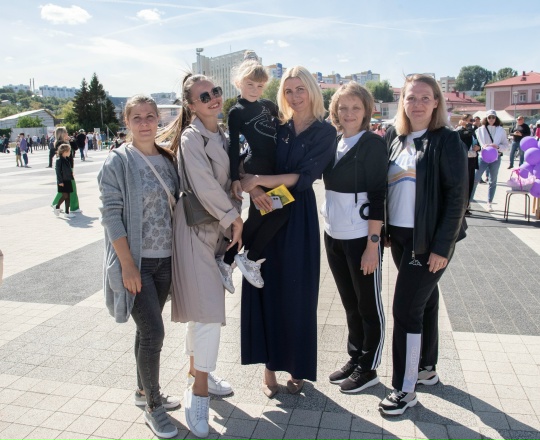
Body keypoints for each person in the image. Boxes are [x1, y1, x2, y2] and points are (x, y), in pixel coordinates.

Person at [239, 66, 337, 398]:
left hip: (297, 217)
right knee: (265, 288)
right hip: (266, 209)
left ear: (312, 91)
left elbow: (304, 177)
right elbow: (246, 160)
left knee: (297, 294)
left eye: (300, 89)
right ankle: (268, 368)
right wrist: (254, 189)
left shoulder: (324, 132)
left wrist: (259, 182)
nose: (294, 96)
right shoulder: (275, 126)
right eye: (288, 90)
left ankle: (297, 367)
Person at [379, 74, 467, 416]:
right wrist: (386, 227)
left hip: (428, 240)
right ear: (402, 101)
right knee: (425, 300)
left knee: (405, 310)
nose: (416, 104)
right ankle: (427, 368)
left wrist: (442, 247)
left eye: (424, 98)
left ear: (436, 103)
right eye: (410, 97)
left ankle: (405, 389)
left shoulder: (447, 139)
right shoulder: (395, 137)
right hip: (401, 237)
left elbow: (457, 198)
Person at [161, 74, 243, 438]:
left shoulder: (223, 134)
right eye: (204, 95)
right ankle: (198, 394)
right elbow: (204, 185)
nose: (213, 98)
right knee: (208, 312)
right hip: (195, 230)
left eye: (216, 92)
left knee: (201, 312)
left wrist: (243, 189)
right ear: (191, 105)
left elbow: (229, 181)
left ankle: (198, 374)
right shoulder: (191, 138)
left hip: (216, 231)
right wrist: (233, 218)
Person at [98, 94, 181, 439]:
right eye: (137, 118)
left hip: (165, 260)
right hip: (138, 263)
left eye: (150, 116)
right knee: (154, 333)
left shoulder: (168, 158)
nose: (145, 123)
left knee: (146, 330)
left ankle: (141, 390)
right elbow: (110, 215)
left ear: (159, 119)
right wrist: (128, 266)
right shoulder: (118, 161)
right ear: (127, 122)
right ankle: (154, 406)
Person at [322, 82, 387, 393]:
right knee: (350, 302)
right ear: (335, 110)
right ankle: (356, 356)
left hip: (361, 237)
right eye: (343, 107)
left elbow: (378, 195)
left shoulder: (372, 144)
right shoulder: (333, 141)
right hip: (333, 234)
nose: (348, 113)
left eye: (355, 108)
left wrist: (373, 245)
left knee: (368, 305)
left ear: (366, 111)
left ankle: (369, 367)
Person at [218, 57, 286, 292]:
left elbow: (284, 127)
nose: (255, 90)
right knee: (277, 213)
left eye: (259, 86)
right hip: (257, 167)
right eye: (250, 85)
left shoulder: (268, 105)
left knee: (263, 216)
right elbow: (233, 147)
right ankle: (246, 257)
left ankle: (228, 260)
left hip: (272, 169)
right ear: (238, 83)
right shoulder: (236, 111)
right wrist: (235, 178)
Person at [470, 110, 508, 212]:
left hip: (496, 157)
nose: (491, 119)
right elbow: (476, 143)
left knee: (493, 181)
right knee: (475, 179)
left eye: (493, 117)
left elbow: (506, 145)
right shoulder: (480, 130)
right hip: (483, 157)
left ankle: (489, 203)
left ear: (496, 118)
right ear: (486, 119)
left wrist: (498, 147)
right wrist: (482, 146)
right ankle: (469, 201)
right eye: (489, 117)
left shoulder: (501, 130)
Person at [51, 128, 82, 214]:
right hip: (65, 168)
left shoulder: (66, 142)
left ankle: (56, 204)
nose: (67, 133)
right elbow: (63, 156)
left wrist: (71, 140)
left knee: (67, 188)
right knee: (70, 188)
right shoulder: (60, 144)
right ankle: (73, 207)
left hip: (68, 166)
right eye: (66, 132)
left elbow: (75, 148)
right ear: (62, 134)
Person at [455, 114, 479, 216]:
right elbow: (465, 135)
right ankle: (461, 207)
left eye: (473, 120)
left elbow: (477, 141)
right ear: (463, 120)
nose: (472, 122)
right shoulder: (459, 131)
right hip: (463, 160)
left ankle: (467, 206)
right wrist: (468, 127)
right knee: (463, 184)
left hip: (472, 159)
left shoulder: (473, 131)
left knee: (470, 184)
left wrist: (478, 147)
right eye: (470, 120)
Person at [53, 144, 75, 219]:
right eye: (69, 151)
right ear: (64, 152)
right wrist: (60, 181)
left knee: (68, 197)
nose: (70, 153)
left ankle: (67, 212)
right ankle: (57, 206)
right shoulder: (59, 160)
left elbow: (68, 169)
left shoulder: (66, 159)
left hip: (68, 179)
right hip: (62, 181)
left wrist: (71, 174)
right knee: (65, 196)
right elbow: (58, 172)